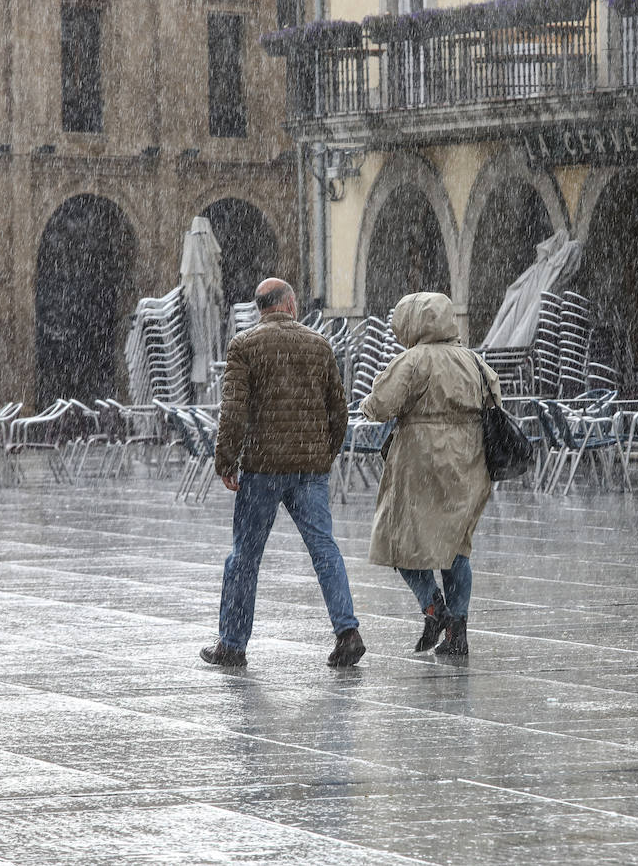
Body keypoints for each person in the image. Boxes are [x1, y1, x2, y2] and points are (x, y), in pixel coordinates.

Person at [200, 278, 365, 668]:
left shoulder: (245, 346)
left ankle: (233, 645)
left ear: (261, 309)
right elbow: (338, 411)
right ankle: (347, 632)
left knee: (245, 557)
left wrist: (225, 461)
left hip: (263, 469)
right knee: (324, 549)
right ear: (291, 305)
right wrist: (325, 453)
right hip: (310, 469)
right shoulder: (319, 345)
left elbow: (234, 412)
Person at [361, 292, 501, 656]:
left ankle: (433, 606)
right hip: (469, 462)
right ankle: (458, 631)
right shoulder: (474, 360)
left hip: (422, 461)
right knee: (457, 547)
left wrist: (367, 404)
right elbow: (495, 401)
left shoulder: (413, 360)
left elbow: (380, 405)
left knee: (400, 541)